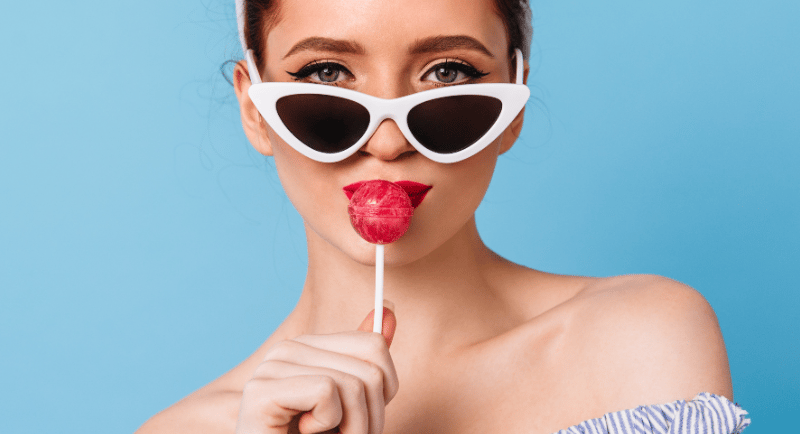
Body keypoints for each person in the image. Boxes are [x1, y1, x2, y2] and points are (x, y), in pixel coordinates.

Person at [137, 0, 750, 433]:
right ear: (254, 109)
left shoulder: (637, 340)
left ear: (513, 106)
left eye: (448, 73)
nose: (385, 141)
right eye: (326, 74)